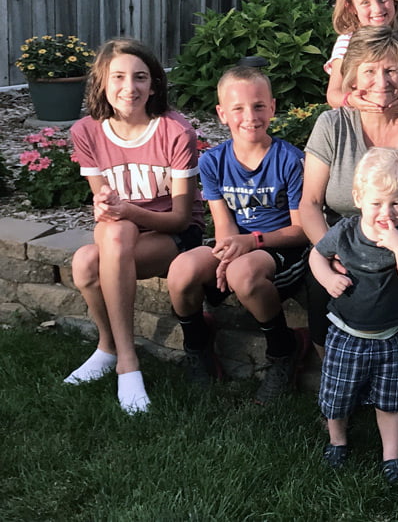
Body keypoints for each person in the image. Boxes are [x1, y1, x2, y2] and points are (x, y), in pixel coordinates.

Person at [301, 25, 398, 445]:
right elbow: (310, 203)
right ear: (350, 77)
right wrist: (327, 254)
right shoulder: (333, 125)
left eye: (392, 71)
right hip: (343, 238)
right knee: (317, 284)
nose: (382, 83)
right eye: (369, 71)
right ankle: (337, 392)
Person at [64, 38, 204, 414]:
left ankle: (124, 360)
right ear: (103, 85)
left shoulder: (175, 131)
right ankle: (111, 348)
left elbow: (180, 217)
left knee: (117, 231)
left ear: (154, 84)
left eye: (140, 77)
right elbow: (104, 209)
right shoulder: (86, 132)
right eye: (119, 77)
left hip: (174, 234)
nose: (130, 88)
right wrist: (114, 208)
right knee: (84, 261)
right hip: (121, 237)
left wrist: (126, 211)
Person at [166, 66, 310, 403]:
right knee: (181, 271)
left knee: (243, 273)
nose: (250, 116)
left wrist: (251, 243)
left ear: (273, 107)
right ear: (221, 113)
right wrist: (227, 252)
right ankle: (198, 345)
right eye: (238, 109)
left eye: (259, 106)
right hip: (238, 244)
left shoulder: (290, 160)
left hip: (278, 247)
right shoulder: (213, 161)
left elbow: (301, 230)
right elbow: (223, 225)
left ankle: (283, 349)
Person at [310, 147, 398, 483]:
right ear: (359, 198)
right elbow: (317, 256)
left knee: (389, 402)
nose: (386, 213)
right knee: (337, 394)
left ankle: (392, 457)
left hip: (389, 337)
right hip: (346, 332)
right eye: (377, 203)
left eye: (396, 204)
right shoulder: (345, 232)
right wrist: (329, 278)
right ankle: (338, 441)